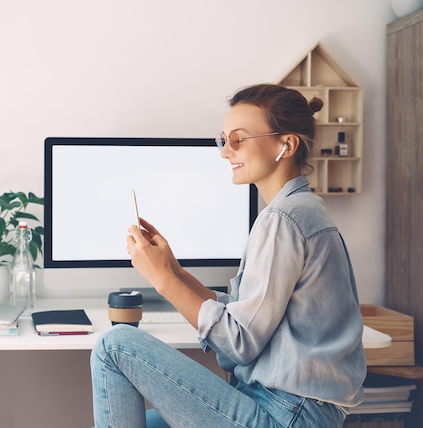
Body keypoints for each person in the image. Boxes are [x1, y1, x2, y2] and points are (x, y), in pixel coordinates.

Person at [90, 83, 366, 428]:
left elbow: (239, 342)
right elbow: (244, 314)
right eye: (223, 140)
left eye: (237, 140)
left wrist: (160, 279)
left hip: (287, 415)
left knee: (115, 345)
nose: (224, 153)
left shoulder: (285, 220)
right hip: (282, 406)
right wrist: (174, 269)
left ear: (287, 144)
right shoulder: (296, 211)